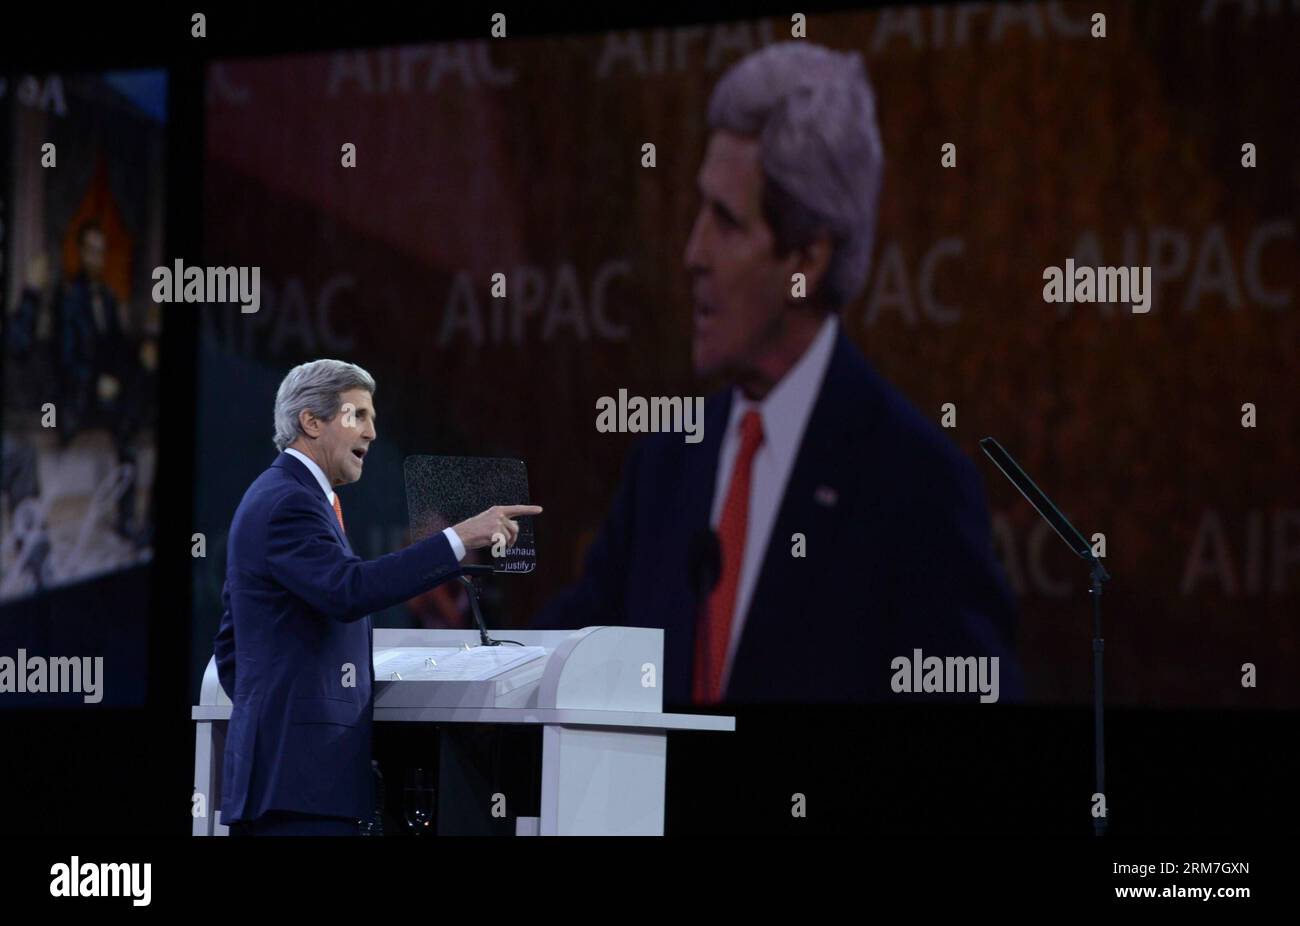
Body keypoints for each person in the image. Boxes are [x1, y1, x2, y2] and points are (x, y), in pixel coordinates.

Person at [533, 42, 1023, 706]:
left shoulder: (913, 484)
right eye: (699, 210)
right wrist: (457, 614)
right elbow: (572, 657)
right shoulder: (666, 465)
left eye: (727, 223)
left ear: (808, 261)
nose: (692, 254)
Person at [214, 359, 541, 835]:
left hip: (295, 778)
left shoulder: (288, 495)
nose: (371, 430)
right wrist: (458, 538)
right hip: (298, 784)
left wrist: (270, 708)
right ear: (311, 421)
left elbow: (231, 646)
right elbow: (349, 590)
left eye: (373, 416)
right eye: (357, 415)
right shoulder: (290, 501)